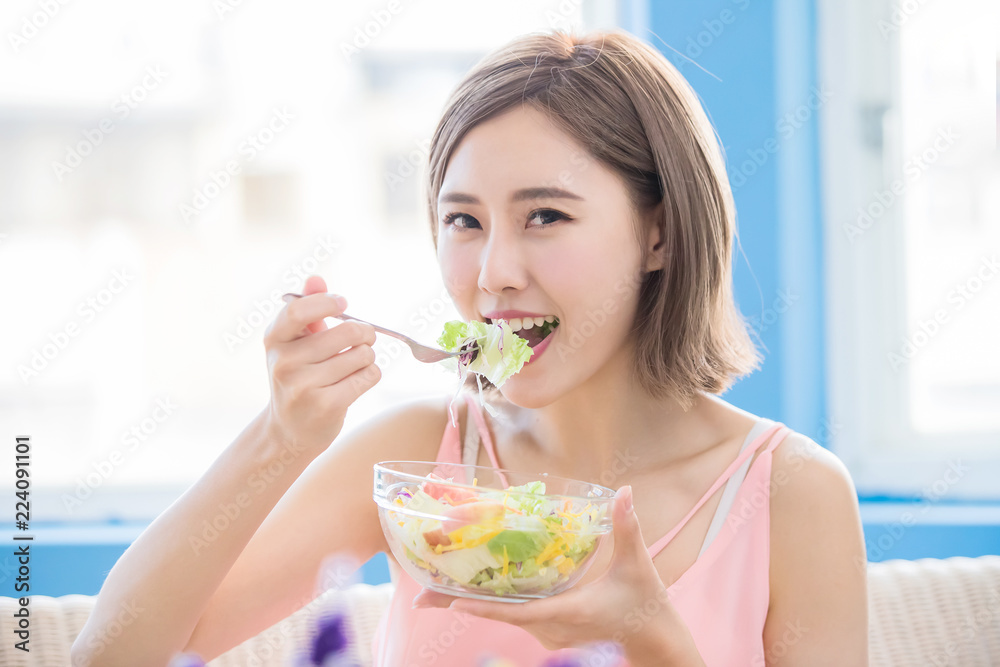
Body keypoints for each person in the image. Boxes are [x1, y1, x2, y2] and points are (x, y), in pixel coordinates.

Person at [71, 28, 868, 667]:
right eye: (464, 220)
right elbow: (113, 658)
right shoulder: (421, 466)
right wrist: (279, 437)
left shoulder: (790, 492)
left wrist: (652, 641)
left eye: (545, 216)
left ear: (658, 233)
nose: (492, 275)